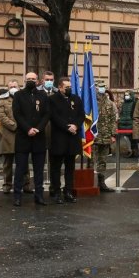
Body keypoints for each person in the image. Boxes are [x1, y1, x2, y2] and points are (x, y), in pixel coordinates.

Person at [12, 71, 51, 206]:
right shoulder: (18, 95)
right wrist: (28, 128)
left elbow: (46, 114)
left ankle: (39, 195)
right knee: (20, 169)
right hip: (23, 136)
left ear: (38, 81)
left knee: (39, 169)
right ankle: (17, 196)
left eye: (33, 79)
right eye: (28, 79)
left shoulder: (43, 95)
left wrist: (38, 129)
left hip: (39, 137)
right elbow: (17, 114)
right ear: (25, 80)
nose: (31, 81)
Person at [45, 76, 83, 204]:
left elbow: (81, 115)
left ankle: (68, 191)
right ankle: (56, 192)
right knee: (56, 167)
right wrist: (67, 127)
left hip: (72, 139)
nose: (69, 89)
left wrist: (76, 126)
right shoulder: (52, 100)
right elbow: (53, 116)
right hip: (58, 138)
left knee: (70, 167)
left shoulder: (76, 99)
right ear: (60, 87)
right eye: (66, 87)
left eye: (70, 87)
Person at [0, 79, 25, 194]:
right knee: (7, 162)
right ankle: (7, 184)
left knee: (23, 162)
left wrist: (23, 126)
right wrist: (15, 126)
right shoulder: (2, 100)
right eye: (11, 86)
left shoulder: (24, 98)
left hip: (22, 134)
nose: (13, 88)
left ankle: (25, 184)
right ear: (7, 88)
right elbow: (1, 116)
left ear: (19, 87)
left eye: (15, 86)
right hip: (8, 134)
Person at [93, 83, 117, 192]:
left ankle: (101, 183)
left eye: (103, 87)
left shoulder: (110, 104)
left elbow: (114, 120)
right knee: (91, 160)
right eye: (99, 87)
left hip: (106, 136)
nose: (101, 89)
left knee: (103, 161)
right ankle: (90, 183)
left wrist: (112, 134)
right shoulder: (91, 102)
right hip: (93, 137)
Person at [118, 89, 137, 158]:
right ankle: (130, 151)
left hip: (131, 123)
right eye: (125, 95)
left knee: (132, 138)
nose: (126, 96)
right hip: (124, 123)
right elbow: (122, 113)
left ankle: (133, 151)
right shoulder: (124, 104)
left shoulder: (134, 103)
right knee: (126, 138)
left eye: (128, 95)